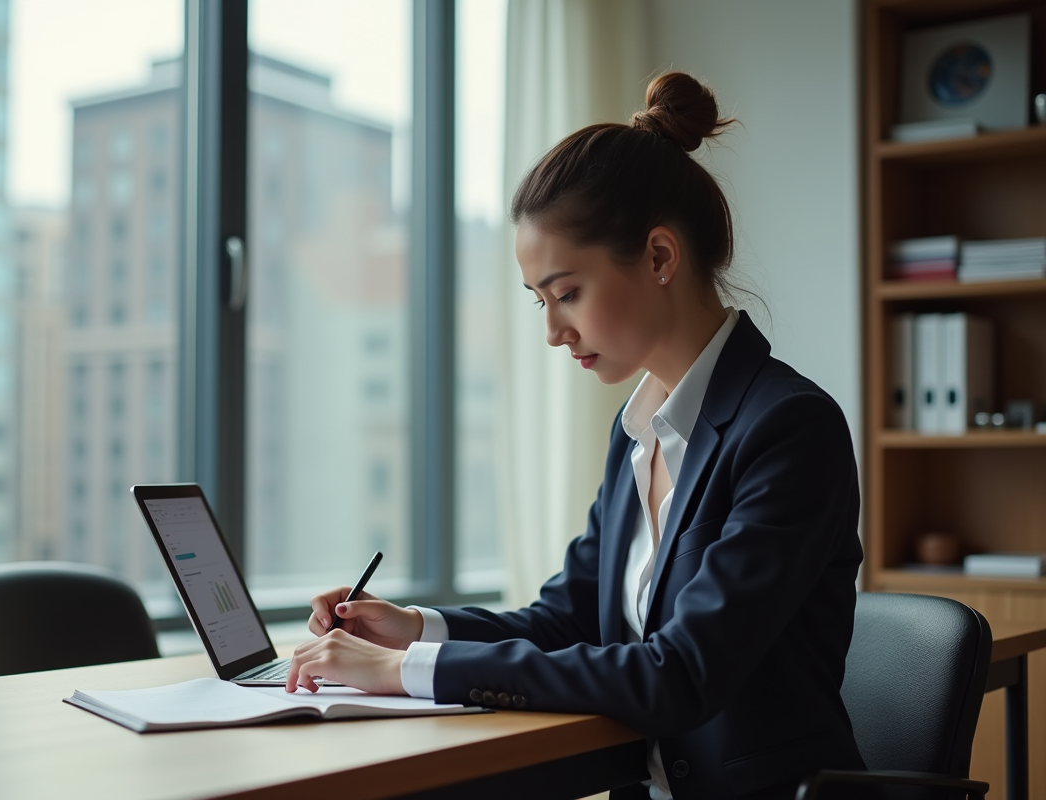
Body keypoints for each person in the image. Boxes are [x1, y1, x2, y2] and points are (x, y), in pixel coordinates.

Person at [285, 71, 867, 800]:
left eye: (567, 293)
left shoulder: (787, 428)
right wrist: (414, 630)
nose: (556, 331)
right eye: (540, 302)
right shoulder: (638, 432)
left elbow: (679, 673)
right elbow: (568, 620)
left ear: (659, 257)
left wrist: (404, 674)